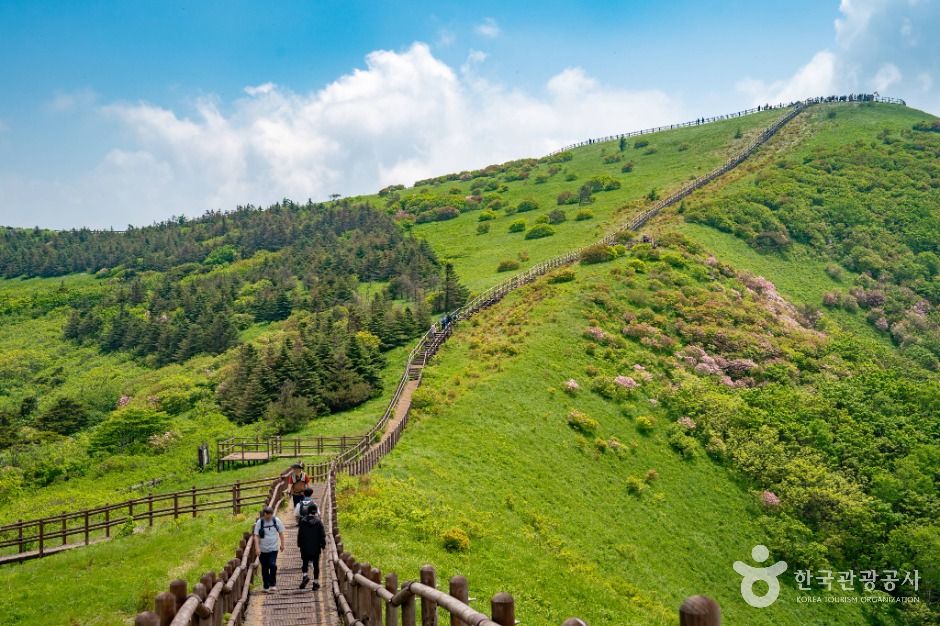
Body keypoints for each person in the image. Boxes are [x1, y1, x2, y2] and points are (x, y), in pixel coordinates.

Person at [294, 487, 327, 590]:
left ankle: (305, 576)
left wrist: (299, 544)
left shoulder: (303, 521)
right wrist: (323, 544)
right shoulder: (318, 522)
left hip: (305, 546)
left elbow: (300, 534)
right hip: (315, 546)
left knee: (304, 562)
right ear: (315, 511)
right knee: (316, 564)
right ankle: (316, 582)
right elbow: (322, 534)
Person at [253, 506, 285, 593]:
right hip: (263, 549)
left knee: (273, 565)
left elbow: (281, 533)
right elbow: (256, 536)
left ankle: (273, 584)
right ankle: (266, 586)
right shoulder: (260, 522)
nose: (268, 517)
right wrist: (257, 548)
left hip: (273, 548)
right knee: (265, 568)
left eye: (270, 515)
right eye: (267, 516)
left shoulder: (276, 521)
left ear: (272, 514)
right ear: (264, 514)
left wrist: (282, 544)